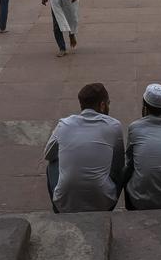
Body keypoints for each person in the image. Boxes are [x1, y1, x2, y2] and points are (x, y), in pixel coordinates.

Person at [43, 83, 124, 213]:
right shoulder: (114, 126)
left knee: (52, 163)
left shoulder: (64, 124)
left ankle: (59, 206)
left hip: (65, 203)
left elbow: (48, 154)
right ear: (102, 105)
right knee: (118, 165)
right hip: (104, 202)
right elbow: (119, 163)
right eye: (108, 103)